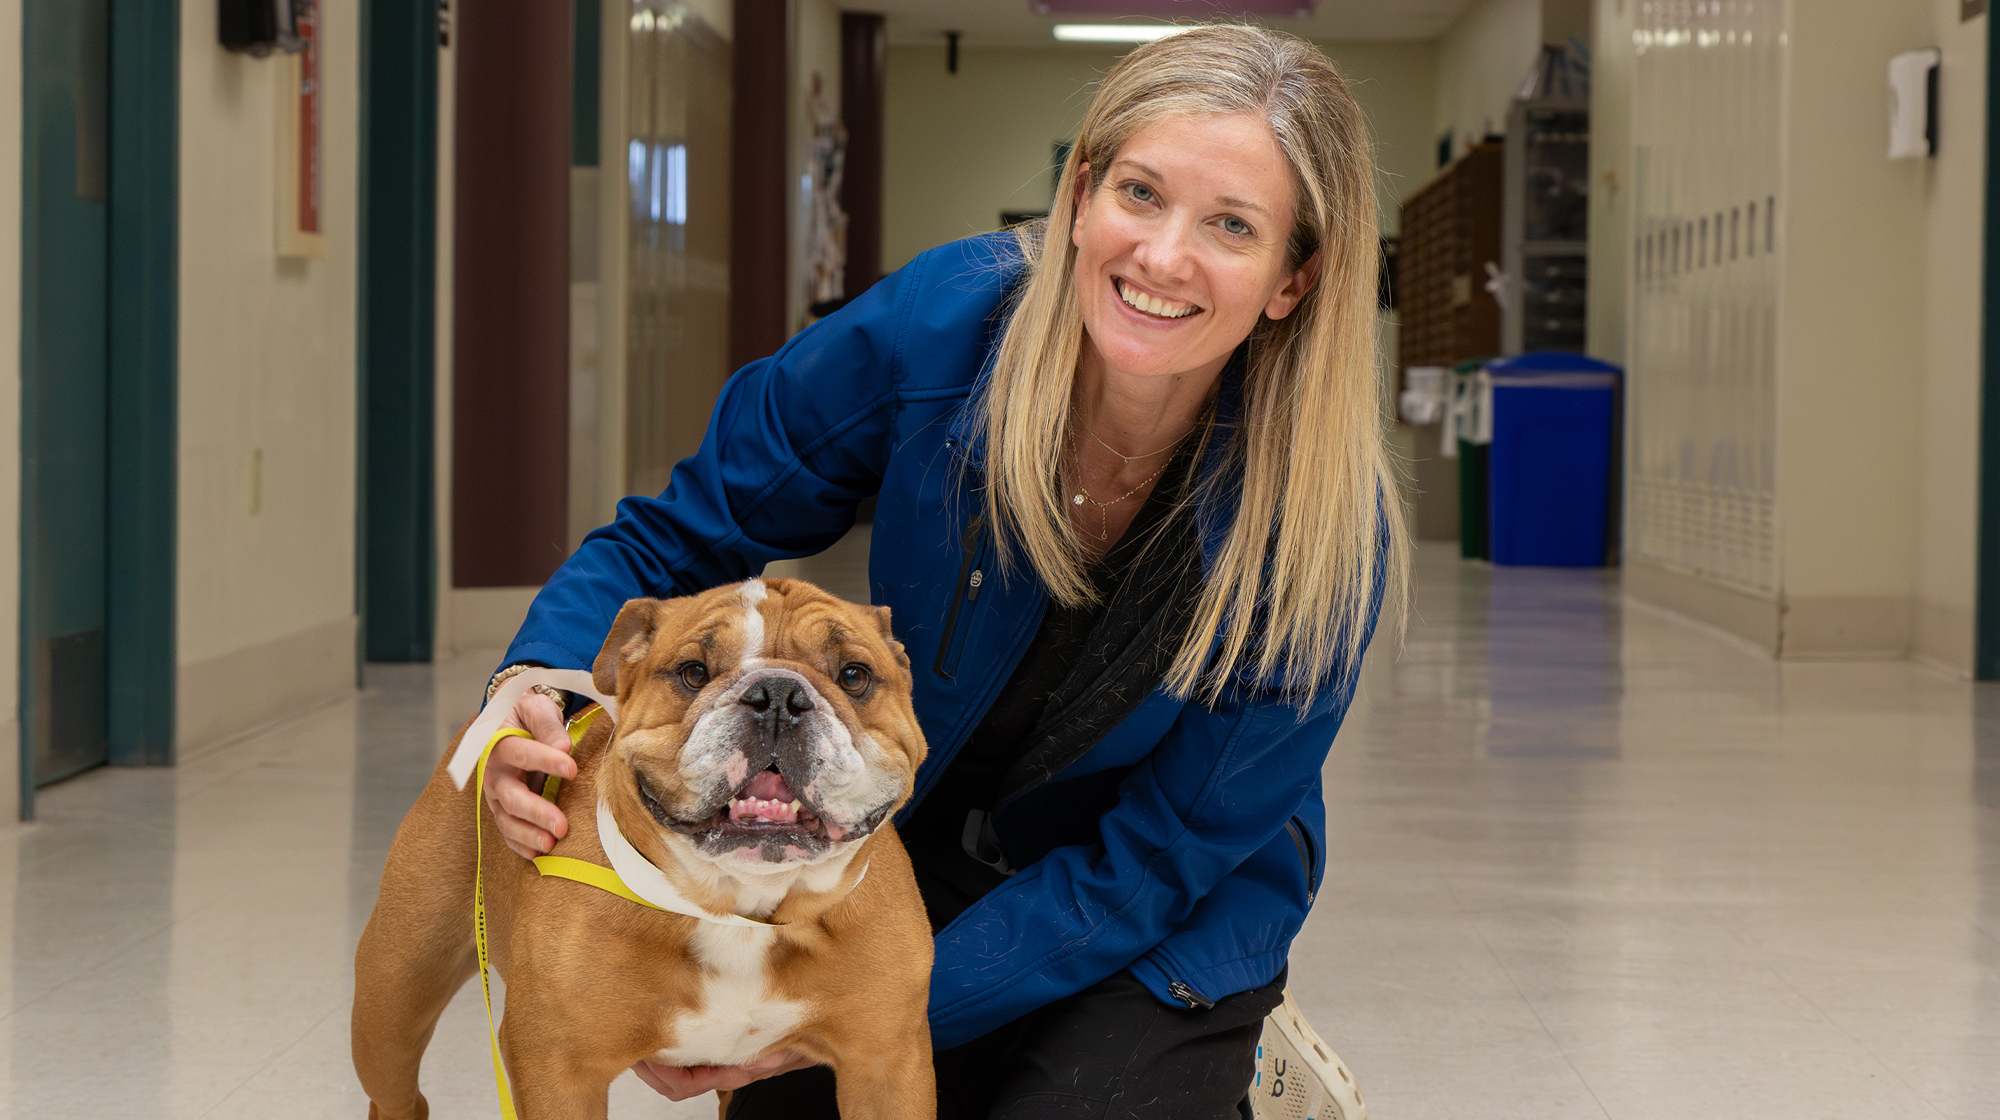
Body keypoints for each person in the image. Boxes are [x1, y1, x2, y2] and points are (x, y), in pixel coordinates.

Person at [478, 24, 1407, 1120]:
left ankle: (1228, 1064)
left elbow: (1157, 856)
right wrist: (529, 691)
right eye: (1140, 194)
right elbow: (681, 531)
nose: (1161, 256)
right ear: (1077, 196)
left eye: (1231, 226)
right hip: (892, 852)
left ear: (1292, 278)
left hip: (1155, 904)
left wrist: (886, 1005)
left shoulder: (1319, 537)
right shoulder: (935, 332)